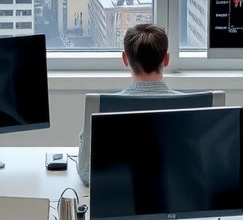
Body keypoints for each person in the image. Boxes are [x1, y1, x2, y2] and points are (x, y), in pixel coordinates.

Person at [76, 23, 181, 185]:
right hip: (176, 202)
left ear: (125, 59)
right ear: (166, 59)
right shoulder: (191, 107)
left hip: (120, 202)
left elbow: (85, 174)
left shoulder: (104, 110)